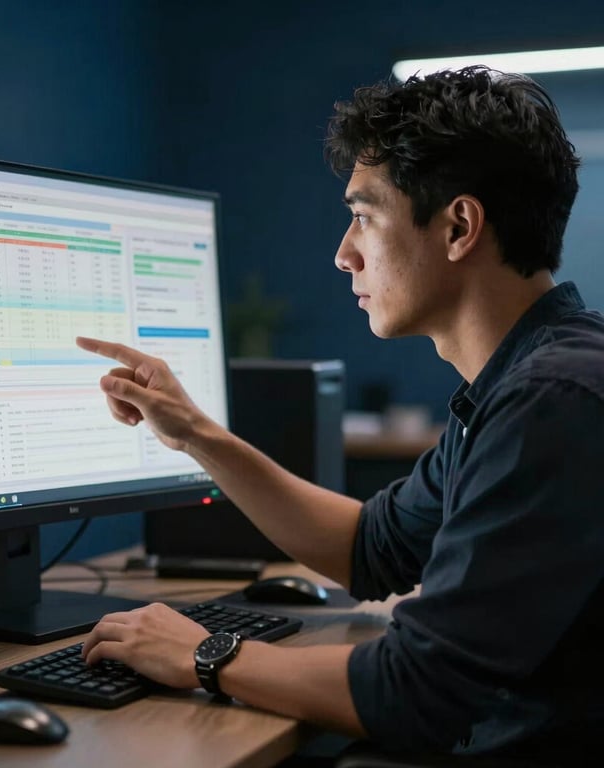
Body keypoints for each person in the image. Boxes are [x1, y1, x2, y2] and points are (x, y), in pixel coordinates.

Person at [78, 66, 604, 762]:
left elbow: (415, 693)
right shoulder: (526, 381)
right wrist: (195, 434)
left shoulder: (554, 403)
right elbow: (370, 547)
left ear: (458, 227)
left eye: (363, 216)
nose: (343, 253)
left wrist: (205, 653)